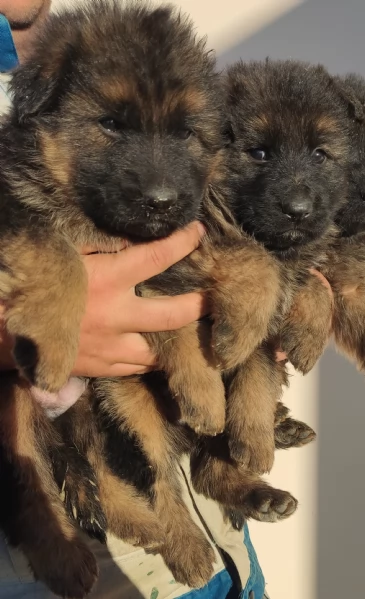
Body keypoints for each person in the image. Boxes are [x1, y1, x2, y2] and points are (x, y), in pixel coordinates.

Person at [0, 2, 268, 597]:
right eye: (112, 127)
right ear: (36, 113)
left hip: (223, 565)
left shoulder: (97, 42)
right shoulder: (60, 70)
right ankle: (45, 523)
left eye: (184, 133)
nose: (161, 182)